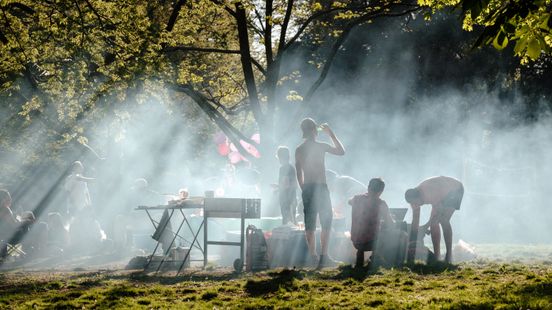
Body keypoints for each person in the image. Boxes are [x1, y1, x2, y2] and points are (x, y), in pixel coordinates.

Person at [295, 118, 345, 268]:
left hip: (309, 188)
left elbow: (298, 172)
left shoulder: (299, 149)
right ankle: (322, 256)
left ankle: (314, 256)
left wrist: (303, 187)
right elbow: (341, 151)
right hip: (320, 188)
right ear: (314, 131)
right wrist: (331, 134)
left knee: (311, 224)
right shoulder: (320, 146)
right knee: (326, 222)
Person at [405, 176, 464, 263]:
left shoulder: (429, 193)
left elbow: (437, 214)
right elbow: (416, 218)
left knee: (443, 220)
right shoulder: (414, 198)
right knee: (434, 224)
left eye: (415, 203)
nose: (415, 205)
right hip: (441, 192)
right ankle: (437, 256)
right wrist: (416, 232)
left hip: (455, 189)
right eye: (412, 203)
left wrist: (425, 227)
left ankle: (449, 255)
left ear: (418, 197)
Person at [348, 178, 394, 268]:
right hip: (371, 242)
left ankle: (360, 259)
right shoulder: (381, 204)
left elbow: (349, 201)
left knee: (365, 235)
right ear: (381, 191)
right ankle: (375, 258)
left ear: (368, 187)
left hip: (355, 241)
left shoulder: (356, 199)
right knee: (391, 233)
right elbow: (390, 223)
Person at [276, 146, 297, 225]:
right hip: (292, 199)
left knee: (287, 223)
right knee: (292, 222)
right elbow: (292, 184)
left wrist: (278, 187)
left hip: (286, 200)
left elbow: (286, 185)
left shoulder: (283, 168)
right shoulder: (292, 168)